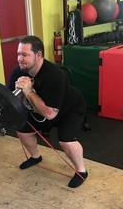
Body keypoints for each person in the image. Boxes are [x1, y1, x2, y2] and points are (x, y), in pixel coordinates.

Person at [7, 35, 88, 188]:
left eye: (24, 55)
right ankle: (36, 157)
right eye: (18, 54)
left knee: (66, 141)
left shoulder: (53, 75)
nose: (20, 59)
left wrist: (29, 92)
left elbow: (50, 114)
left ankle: (81, 171)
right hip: (44, 109)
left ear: (38, 55)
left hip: (70, 108)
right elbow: (11, 97)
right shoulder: (18, 72)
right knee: (22, 131)